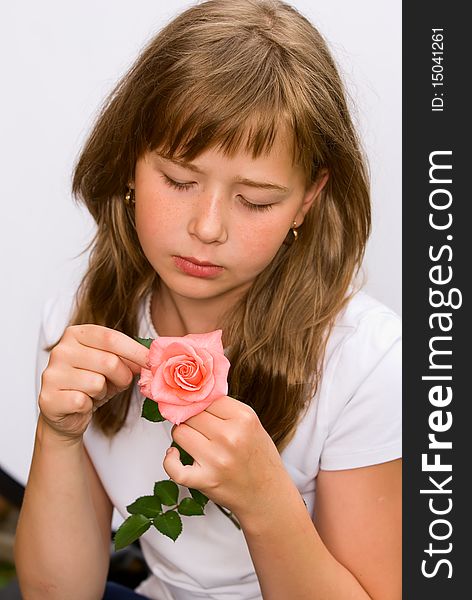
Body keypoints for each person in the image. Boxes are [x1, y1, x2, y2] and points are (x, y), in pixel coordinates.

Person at [14, 0, 401, 598]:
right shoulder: (82, 321)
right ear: (129, 164)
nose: (208, 227)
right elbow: (57, 593)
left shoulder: (367, 362)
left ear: (306, 200)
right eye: (179, 180)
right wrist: (57, 435)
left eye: (256, 199)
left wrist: (266, 502)